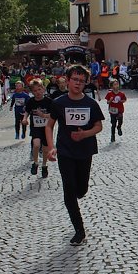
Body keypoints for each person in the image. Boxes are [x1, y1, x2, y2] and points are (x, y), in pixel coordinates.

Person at [44, 65, 105, 245]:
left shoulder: (91, 103)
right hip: (65, 151)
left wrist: (84, 134)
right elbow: (49, 126)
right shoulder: (59, 103)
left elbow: (98, 126)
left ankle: (80, 191)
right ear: (68, 80)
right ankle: (79, 230)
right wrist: (51, 147)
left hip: (85, 151)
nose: (78, 83)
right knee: (69, 190)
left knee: (81, 189)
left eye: (81, 81)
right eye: (75, 80)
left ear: (85, 83)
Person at [23, 78, 54, 178]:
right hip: (35, 127)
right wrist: (24, 119)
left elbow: (53, 115)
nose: (38, 92)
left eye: (39, 89)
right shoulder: (31, 101)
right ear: (32, 92)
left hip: (46, 128)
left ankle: (44, 165)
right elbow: (27, 111)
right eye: (35, 91)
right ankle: (35, 162)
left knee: (45, 149)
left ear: (43, 89)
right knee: (36, 144)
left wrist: (43, 115)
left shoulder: (49, 101)